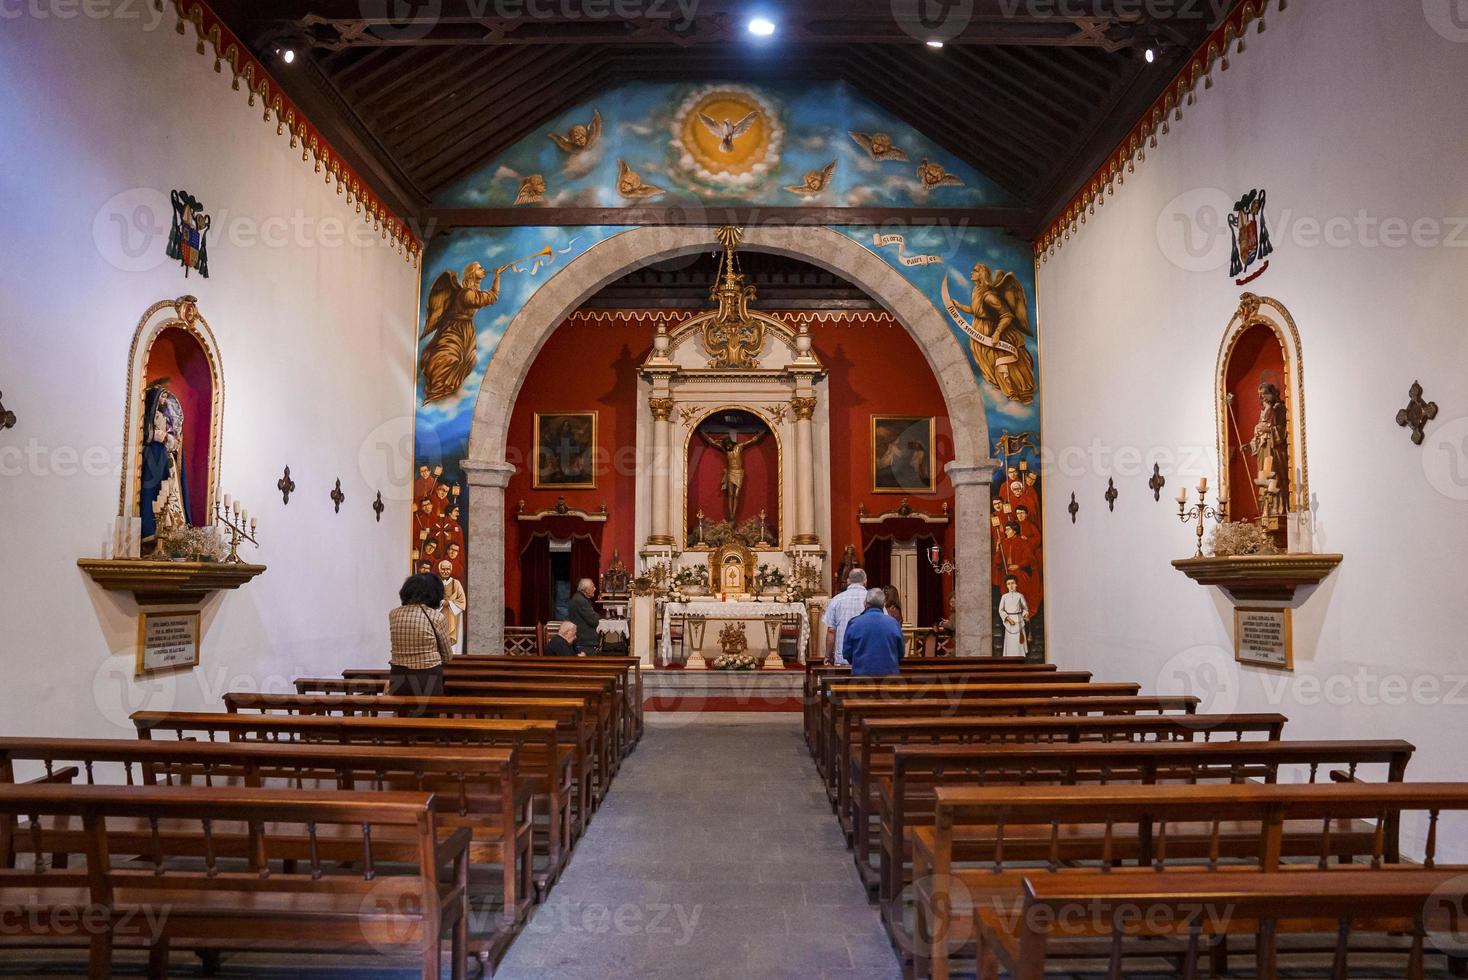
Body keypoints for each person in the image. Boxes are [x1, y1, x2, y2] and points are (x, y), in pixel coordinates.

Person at [387, 572, 454, 708]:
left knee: (402, 721)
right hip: (427, 678)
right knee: (429, 720)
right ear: (434, 594)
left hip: (399, 676)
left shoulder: (393, 614)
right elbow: (447, 656)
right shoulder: (436, 617)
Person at [843, 589, 904, 677]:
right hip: (889, 679)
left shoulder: (854, 623)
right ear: (883, 604)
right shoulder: (893, 623)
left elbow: (847, 653)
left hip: (861, 678)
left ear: (865, 603)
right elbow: (900, 652)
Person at [822, 568, 870, 665]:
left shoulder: (836, 600)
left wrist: (828, 656)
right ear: (865, 581)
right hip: (867, 657)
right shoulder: (873, 598)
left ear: (848, 581)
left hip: (842, 658)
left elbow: (831, 631)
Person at [437, 560, 467, 652]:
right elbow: (430, 599)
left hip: (453, 616)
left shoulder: (456, 583)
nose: (445, 571)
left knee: (452, 644)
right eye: (443, 569)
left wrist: (449, 603)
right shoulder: (435, 583)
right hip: (438, 615)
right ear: (439, 569)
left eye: (448, 569)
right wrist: (441, 603)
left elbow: (462, 601)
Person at [998, 575, 1030, 658]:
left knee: (1018, 644)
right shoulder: (1004, 597)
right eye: (1008, 584)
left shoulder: (1020, 596)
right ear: (1006, 586)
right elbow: (1001, 610)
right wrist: (1008, 619)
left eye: (1012, 583)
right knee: (1010, 642)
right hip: (1009, 622)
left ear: (1016, 584)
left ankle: (1020, 658)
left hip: (1019, 621)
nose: (1011, 586)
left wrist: (1025, 614)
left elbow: (1025, 608)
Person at [566, 577, 601, 654]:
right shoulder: (581, 601)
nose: (595, 589)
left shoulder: (580, 599)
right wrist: (597, 615)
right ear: (586, 589)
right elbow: (595, 621)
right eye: (593, 587)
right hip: (584, 643)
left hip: (583, 642)